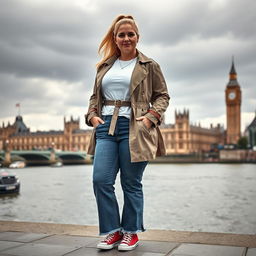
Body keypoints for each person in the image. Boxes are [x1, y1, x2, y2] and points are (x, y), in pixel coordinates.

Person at [85, 14, 170, 251]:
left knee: (131, 183)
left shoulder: (149, 65)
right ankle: (112, 230)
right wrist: (92, 116)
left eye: (130, 34)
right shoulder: (105, 66)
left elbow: (162, 95)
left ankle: (130, 232)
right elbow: (95, 96)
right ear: (115, 38)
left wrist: (151, 118)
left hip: (135, 128)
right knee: (100, 180)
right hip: (105, 128)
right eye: (121, 34)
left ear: (137, 37)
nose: (126, 38)